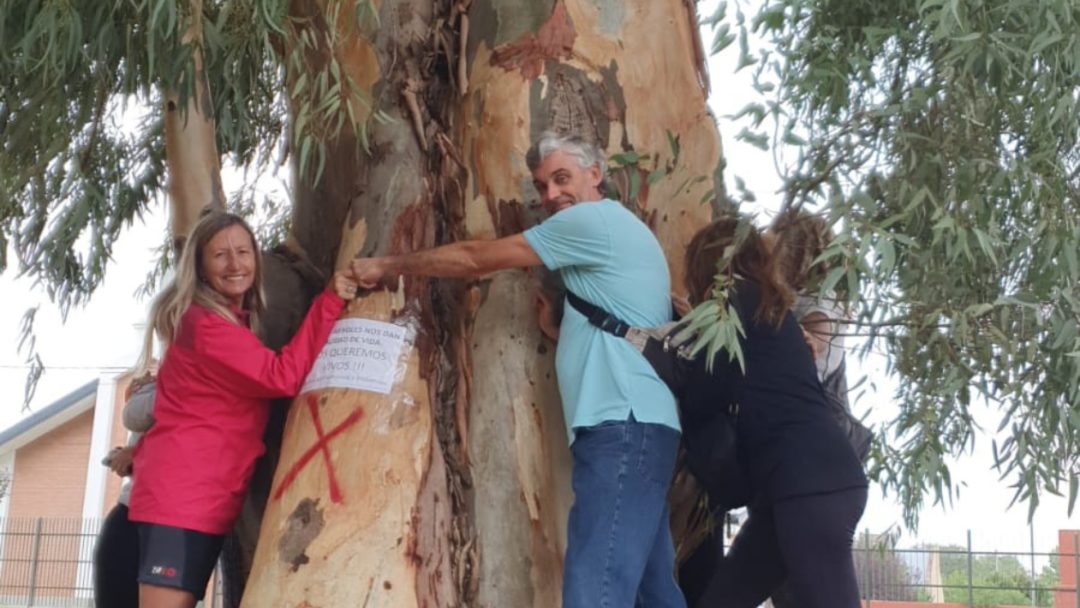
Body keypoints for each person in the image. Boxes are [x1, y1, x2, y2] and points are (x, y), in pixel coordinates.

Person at [350, 131, 686, 607]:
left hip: (623, 426)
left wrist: (387, 266)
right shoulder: (615, 230)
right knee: (654, 592)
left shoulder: (592, 222)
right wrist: (564, 328)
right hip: (643, 426)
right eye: (542, 186)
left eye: (562, 178)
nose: (550, 195)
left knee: (596, 589)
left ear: (597, 174)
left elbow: (474, 258)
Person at [127, 211, 358, 608]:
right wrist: (331, 300)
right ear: (199, 265)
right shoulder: (206, 326)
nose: (235, 264)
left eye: (243, 251)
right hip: (182, 499)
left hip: (203, 496)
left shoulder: (227, 321)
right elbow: (282, 376)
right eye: (220, 255)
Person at [677, 216, 868, 608]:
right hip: (796, 488)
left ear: (707, 266)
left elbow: (702, 394)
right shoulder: (770, 309)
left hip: (811, 487)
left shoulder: (735, 303)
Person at [93, 375, 156, 608]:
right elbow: (135, 416)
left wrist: (138, 452)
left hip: (171, 523)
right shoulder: (157, 387)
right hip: (133, 512)